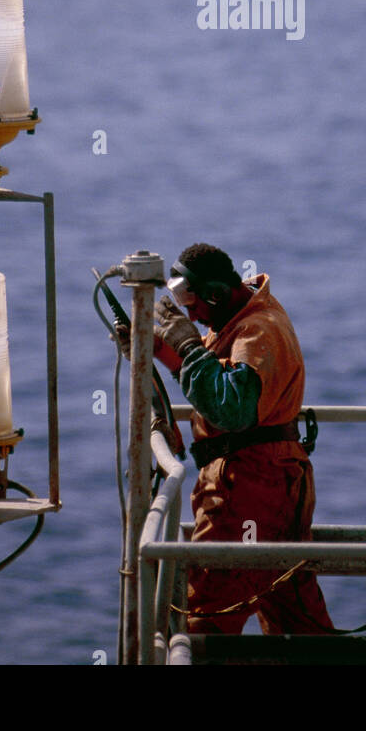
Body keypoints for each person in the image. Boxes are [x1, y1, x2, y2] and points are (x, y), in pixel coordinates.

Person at [152, 242, 333, 636]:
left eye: (192, 299)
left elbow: (232, 410)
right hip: (268, 484)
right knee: (295, 619)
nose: (189, 311)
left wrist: (184, 344)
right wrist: (160, 350)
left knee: (207, 618)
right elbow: (211, 375)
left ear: (216, 292)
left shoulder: (257, 329)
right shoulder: (236, 319)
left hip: (250, 488)